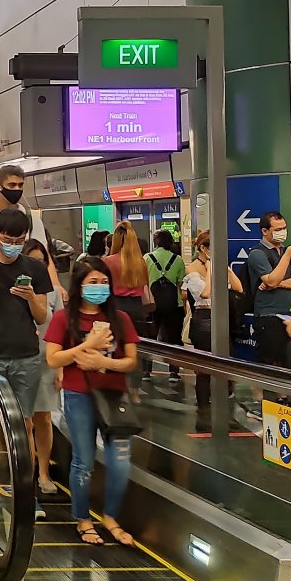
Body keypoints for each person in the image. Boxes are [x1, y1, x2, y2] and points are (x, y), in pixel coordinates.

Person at [44, 257, 139, 546]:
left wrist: (104, 362)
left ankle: (110, 516)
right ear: (80, 285)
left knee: (120, 463)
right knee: (83, 461)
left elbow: (132, 361)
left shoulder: (120, 319)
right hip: (79, 395)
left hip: (114, 398)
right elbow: (53, 358)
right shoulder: (64, 319)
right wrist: (87, 347)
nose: (100, 287)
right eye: (93, 282)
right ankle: (82, 518)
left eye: (104, 282)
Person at [0, 164, 63, 426]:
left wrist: (48, 291)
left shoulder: (31, 225)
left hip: (24, 339)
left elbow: (43, 255)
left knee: (25, 416)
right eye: (12, 185)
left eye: (20, 185)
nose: (16, 190)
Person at [0, 208, 53, 520]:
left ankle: (24, 491)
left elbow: (42, 316)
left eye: (19, 240)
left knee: (26, 424)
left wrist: (31, 296)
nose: (13, 244)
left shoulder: (34, 267)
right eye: (7, 239)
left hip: (26, 355)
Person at [184, 230, 244, 430]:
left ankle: (225, 409)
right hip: (203, 319)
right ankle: (203, 411)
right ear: (203, 248)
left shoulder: (218, 266)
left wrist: (226, 269)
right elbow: (206, 292)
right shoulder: (192, 269)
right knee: (204, 368)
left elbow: (238, 288)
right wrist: (209, 268)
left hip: (220, 317)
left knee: (226, 363)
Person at [24, 239, 64, 496]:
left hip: (46, 359)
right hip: (20, 359)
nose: (38, 266)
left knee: (44, 418)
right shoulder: (15, 288)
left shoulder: (53, 293)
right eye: (33, 260)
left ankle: (44, 473)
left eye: (42, 261)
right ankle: (25, 474)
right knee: (25, 421)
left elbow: (59, 328)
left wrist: (60, 367)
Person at [103, 222, 151, 392]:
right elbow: (145, 286)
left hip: (116, 306)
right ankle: (135, 391)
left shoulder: (108, 261)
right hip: (137, 308)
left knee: (115, 349)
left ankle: (117, 387)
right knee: (135, 352)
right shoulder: (141, 262)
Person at [246, 211, 291, 369]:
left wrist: (276, 283)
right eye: (278, 229)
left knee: (287, 362)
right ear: (265, 231)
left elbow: (279, 282)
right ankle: (264, 395)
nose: (283, 233)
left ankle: (284, 394)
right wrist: (286, 256)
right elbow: (271, 280)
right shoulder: (257, 253)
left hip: (289, 316)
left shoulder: (285, 251)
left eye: (284, 228)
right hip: (268, 316)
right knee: (268, 363)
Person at [145, 229, 187, 385]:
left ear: (156, 242)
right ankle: (174, 372)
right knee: (174, 339)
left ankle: (146, 371)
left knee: (150, 339)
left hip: (152, 305)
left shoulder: (146, 258)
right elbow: (181, 285)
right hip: (173, 305)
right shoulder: (178, 260)